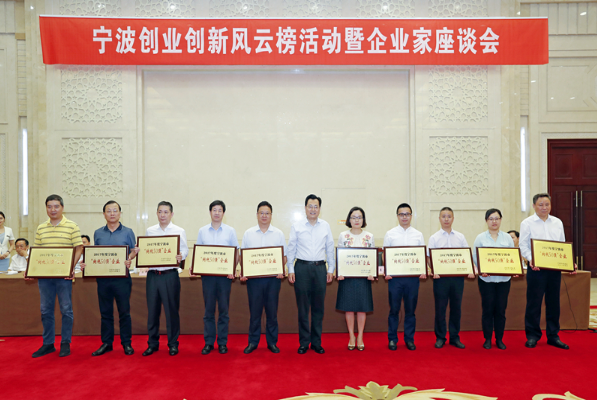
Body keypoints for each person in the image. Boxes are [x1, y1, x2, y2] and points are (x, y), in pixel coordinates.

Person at [521, 193, 577, 350]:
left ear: (550, 206)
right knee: (534, 303)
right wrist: (532, 259)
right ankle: (532, 336)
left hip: (553, 269)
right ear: (534, 206)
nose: (544, 207)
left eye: (547, 204)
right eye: (540, 205)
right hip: (536, 269)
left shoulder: (557, 222)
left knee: (553, 303)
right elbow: (523, 246)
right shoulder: (527, 223)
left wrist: (569, 262)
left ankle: (553, 336)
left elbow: (561, 246)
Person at [81, 200, 137, 356]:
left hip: (122, 279)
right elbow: (96, 255)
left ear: (120, 213)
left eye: (115, 210)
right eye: (109, 211)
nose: (112, 213)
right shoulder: (98, 233)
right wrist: (88, 264)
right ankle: (107, 343)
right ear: (104, 214)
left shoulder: (128, 232)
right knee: (105, 312)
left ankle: (126, 343)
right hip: (103, 279)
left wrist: (129, 258)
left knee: (124, 312)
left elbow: (133, 250)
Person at [31, 194, 83, 358]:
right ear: (46, 208)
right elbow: (37, 252)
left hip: (64, 277)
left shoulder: (72, 226)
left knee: (66, 310)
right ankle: (48, 344)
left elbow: (79, 248)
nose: (52, 209)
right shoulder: (41, 228)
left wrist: (70, 268)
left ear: (62, 208)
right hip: (45, 277)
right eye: (49, 206)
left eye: (56, 206)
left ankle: (65, 342)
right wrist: (31, 269)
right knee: (45, 310)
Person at [287, 194, 335, 355]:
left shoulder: (325, 226)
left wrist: (331, 269)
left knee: (318, 308)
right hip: (302, 268)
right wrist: (290, 269)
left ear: (319, 209)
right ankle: (303, 343)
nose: (313, 209)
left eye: (316, 206)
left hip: (320, 268)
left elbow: (330, 248)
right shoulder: (297, 226)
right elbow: (291, 248)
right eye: (310, 206)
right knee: (302, 308)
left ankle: (316, 343)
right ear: (305, 208)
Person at [240, 201, 286, 354]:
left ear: (271, 215)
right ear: (257, 215)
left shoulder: (278, 234)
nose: (264, 216)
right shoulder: (248, 233)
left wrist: (281, 269)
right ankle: (253, 342)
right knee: (255, 313)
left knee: (272, 313)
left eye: (267, 213)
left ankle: (272, 342)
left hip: (273, 279)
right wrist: (244, 271)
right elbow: (242, 257)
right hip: (254, 281)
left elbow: (284, 257)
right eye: (262, 213)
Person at [142, 201, 187, 357]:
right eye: (160, 212)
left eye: (166, 212)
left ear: (172, 214)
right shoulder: (150, 231)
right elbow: (147, 250)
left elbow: (184, 250)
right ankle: (152, 344)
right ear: (156, 213)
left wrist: (181, 256)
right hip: (153, 275)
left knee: (171, 311)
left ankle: (173, 344)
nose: (163, 215)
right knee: (152, 312)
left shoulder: (179, 231)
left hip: (170, 275)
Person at [195, 200, 239, 355]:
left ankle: (222, 342)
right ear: (210, 212)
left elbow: (236, 253)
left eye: (220, 210)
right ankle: (208, 343)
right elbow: (199, 253)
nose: (217, 213)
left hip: (224, 278)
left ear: (223, 213)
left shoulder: (230, 231)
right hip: (208, 277)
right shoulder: (202, 231)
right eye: (214, 210)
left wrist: (232, 269)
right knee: (208, 311)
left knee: (223, 310)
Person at [428, 207, 475, 349]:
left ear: (453, 219)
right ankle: (440, 337)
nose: (446, 219)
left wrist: (470, 269)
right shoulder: (434, 238)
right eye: (444, 216)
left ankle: (454, 337)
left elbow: (466, 256)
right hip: (440, 279)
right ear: (439, 219)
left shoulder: (460, 237)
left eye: (449, 216)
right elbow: (429, 258)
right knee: (440, 308)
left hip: (457, 278)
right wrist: (434, 270)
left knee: (456, 308)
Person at [383, 203, 426, 351]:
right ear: (397, 216)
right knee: (394, 310)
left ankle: (409, 339)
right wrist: (387, 271)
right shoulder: (390, 234)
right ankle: (392, 339)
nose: (404, 217)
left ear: (411, 216)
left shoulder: (418, 234)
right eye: (401, 214)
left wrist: (422, 269)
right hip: (395, 279)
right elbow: (385, 255)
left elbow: (421, 256)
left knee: (410, 311)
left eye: (407, 214)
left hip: (412, 279)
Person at [473, 208, 515, 350]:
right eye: (491, 219)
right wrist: (481, 270)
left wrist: (513, 270)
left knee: (501, 310)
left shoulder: (507, 238)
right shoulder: (480, 238)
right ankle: (487, 339)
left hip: (504, 280)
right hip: (486, 281)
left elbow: (512, 257)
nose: (494, 221)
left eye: (497, 218)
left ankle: (499, 339)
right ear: (486, 221)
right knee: (487, 310)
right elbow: (475, 258)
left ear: (501, 220)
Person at [336, 206, 375, 351]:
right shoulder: (343, 235)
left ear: (363, 220)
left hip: (363, 278)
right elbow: (340, 257)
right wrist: (340, 272)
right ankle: (352, 336)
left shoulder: (369, 236)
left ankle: (360, 337)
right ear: (349, 219)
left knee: (362, 309)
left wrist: (372, 273)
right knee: (349, 309)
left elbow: (372, 258)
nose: (356, 220)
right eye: (354, 217)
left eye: (359, 217)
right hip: (347, 278)